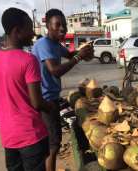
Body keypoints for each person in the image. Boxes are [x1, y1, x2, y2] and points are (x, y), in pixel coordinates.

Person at [0, 8, 54, 171]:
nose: (33, 33)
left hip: (8, 137)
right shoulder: (29, 60)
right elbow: (37, 103)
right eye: (29, 28)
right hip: (31, 136)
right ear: (17, 31)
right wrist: (51, 107)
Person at [32, 9, 94, 171]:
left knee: (53, 141)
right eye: (57, 25)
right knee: (53, 144)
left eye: (64, 25)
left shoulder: (55, 44)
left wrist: (84, 53)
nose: (62, 29)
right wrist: (78, 57)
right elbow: (55, 70)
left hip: (52, 97)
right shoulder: (44, 44)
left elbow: (69, 54)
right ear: (47, 26)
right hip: (45, 101)